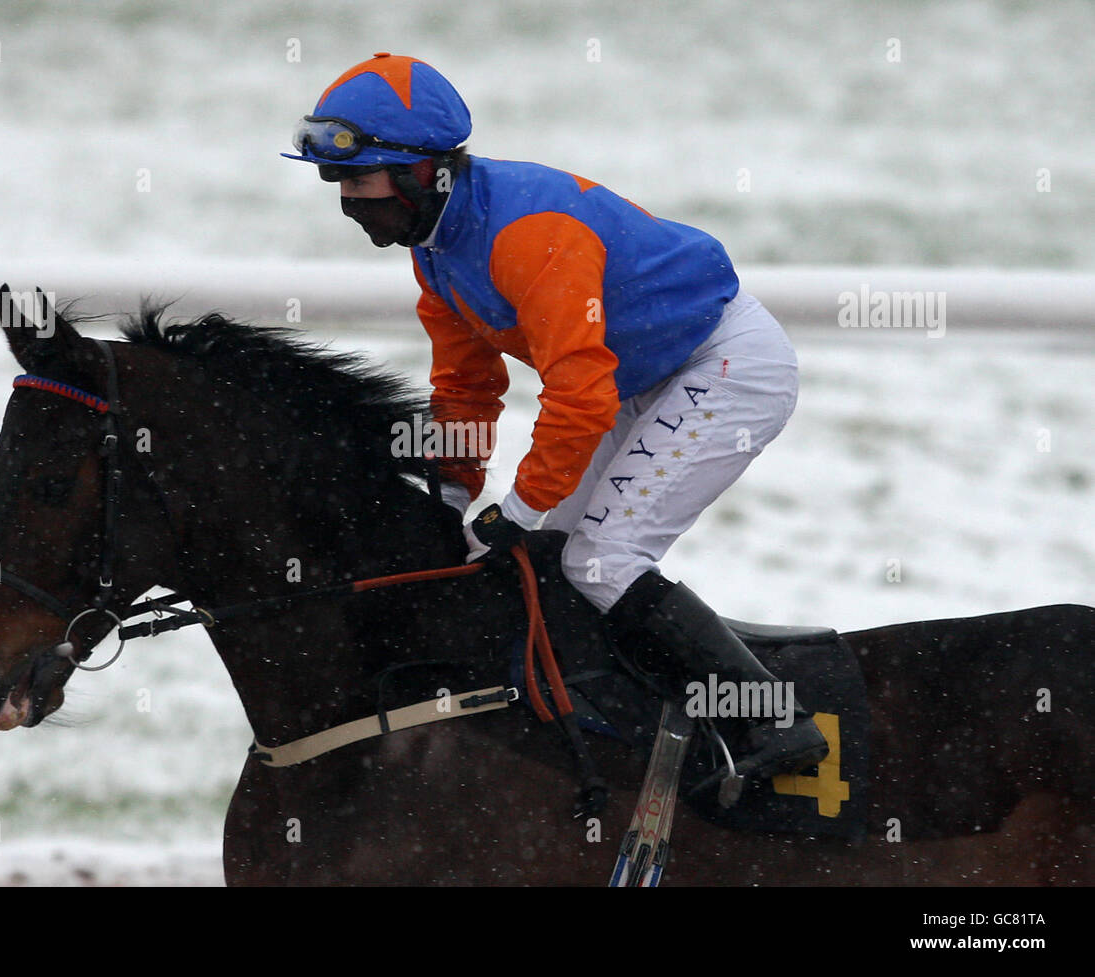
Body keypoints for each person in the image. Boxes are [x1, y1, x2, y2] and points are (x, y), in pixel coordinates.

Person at [283, 53, 827, 789]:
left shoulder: (527, 234)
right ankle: (616, 713)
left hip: (724, 367)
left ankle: (771, 716)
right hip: (638, 380)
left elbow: (579, 391)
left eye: (360, 177)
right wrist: (448, 492)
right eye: (336, 182)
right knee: (536, 558)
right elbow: (466, 384)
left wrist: (521, 505)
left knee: (603, 558)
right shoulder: (436, 249)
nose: (349, 199)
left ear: (426, 173)